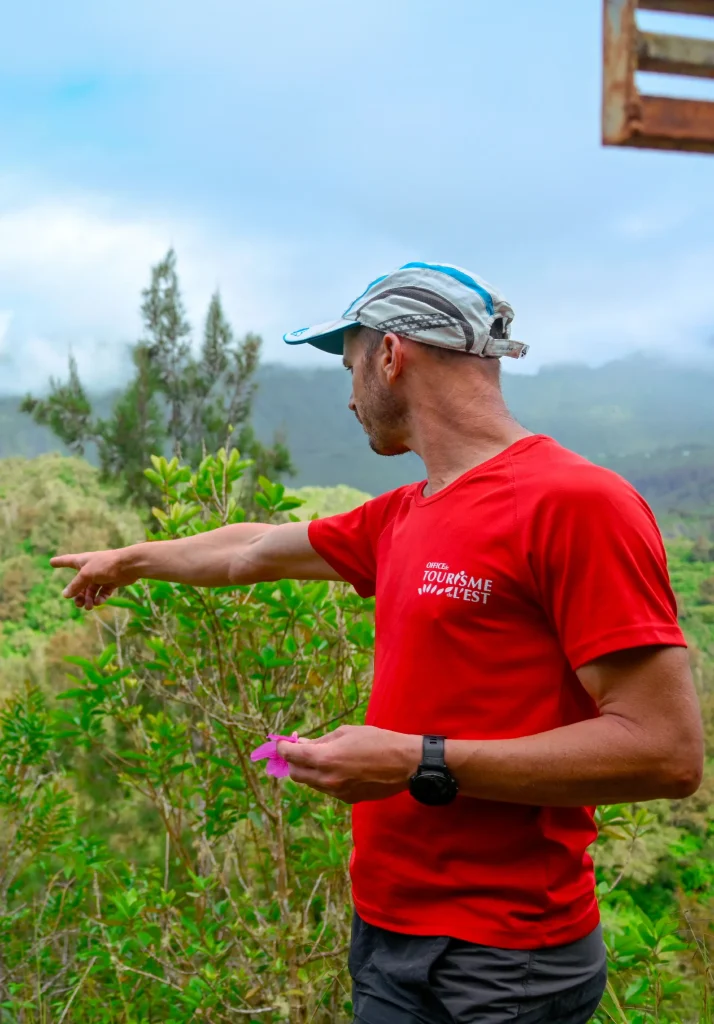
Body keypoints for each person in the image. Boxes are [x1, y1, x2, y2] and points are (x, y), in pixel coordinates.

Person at [51, 262, 703, 1024]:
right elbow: (251, 549)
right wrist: (130, 561)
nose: (349, 393)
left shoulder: (577, 504)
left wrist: (414, 760)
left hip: (505, 961)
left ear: (391, 356)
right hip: (390, 936)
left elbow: (665, 752)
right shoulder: (404, 515)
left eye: (349, 363)